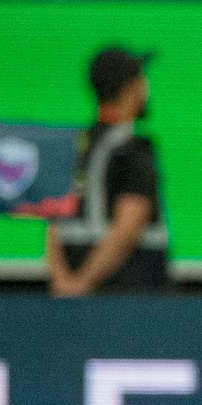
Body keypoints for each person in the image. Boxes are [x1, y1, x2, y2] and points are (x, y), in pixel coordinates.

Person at [49, 45, 171, 295]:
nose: (145, 87)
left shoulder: (74, 146)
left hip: (75, 303)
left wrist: (63, 284)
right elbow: (127, 227)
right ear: (129, 89)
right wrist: (82, 284)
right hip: (131, 300)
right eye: (141, 79)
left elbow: (53, 228)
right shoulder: (133, 150)